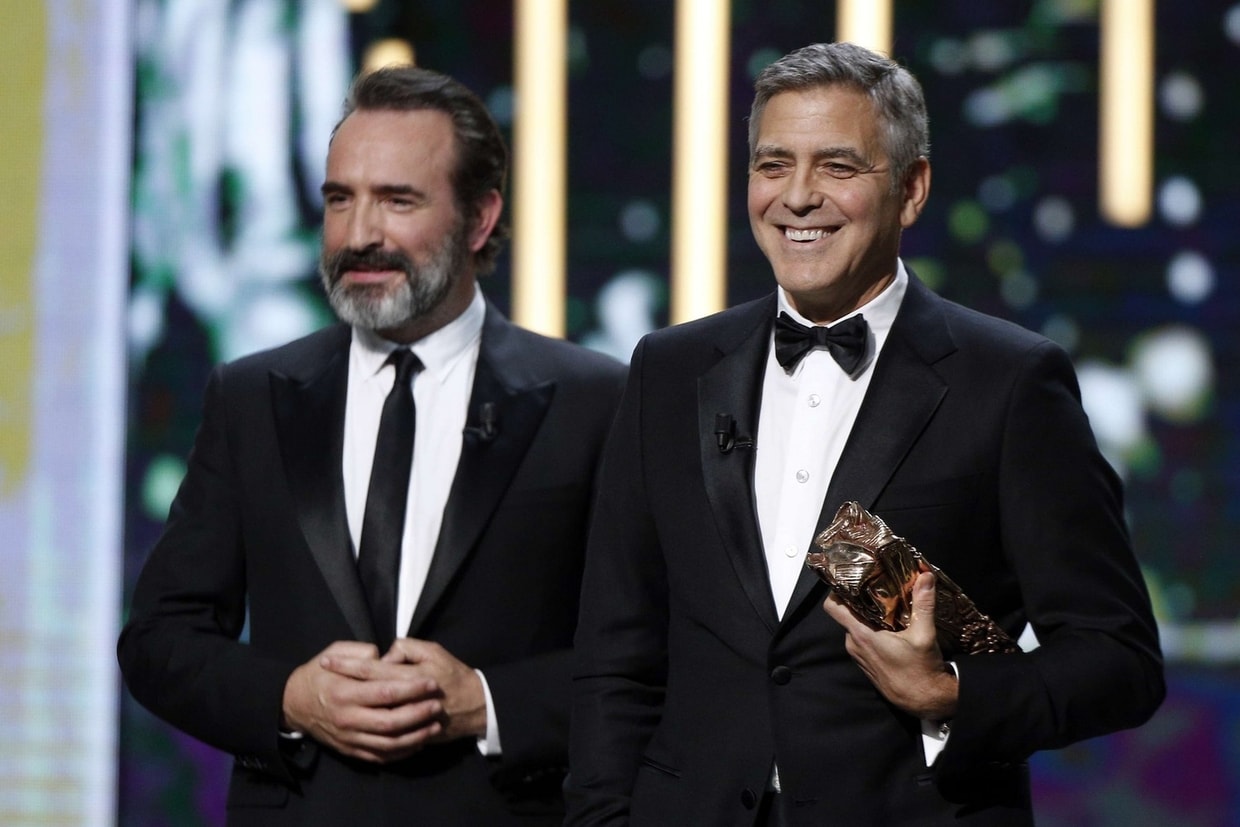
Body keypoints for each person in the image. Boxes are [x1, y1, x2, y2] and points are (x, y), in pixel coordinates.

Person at [565, 42, 1164, 826]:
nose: (797, 197)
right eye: (773, 165)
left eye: (838, 166)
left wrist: (952, 693)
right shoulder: (669, 371)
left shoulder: (1011, 382)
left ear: (911, 190)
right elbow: (616, 655)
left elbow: (1118, 658)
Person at [118, 64, 625, 826]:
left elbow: (657, 657)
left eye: (397, 200)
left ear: (480, 218)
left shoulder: (594, 401)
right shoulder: (251, 397)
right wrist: (290, 696)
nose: (359, 235)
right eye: (339, 199)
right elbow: (160, 641)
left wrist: (485, 702)